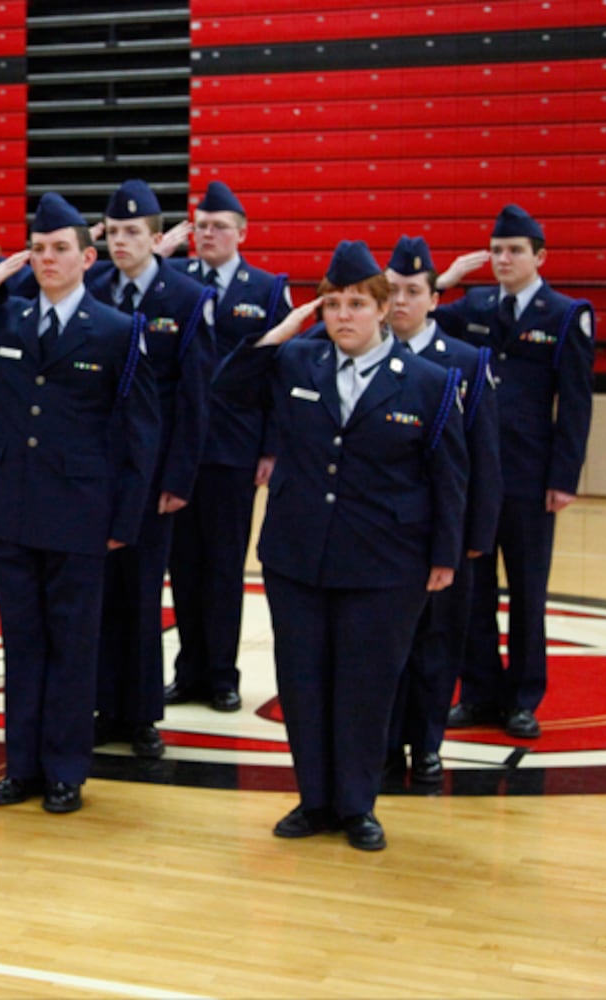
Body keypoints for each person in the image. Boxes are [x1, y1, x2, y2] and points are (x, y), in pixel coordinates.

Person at [0, 192, 160, 814]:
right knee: (21, 643)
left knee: (73, 645)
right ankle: (22, 766)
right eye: (38, 249)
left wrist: (125, 520)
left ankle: (66, 769)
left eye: (59, 250)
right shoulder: (3, 319)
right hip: (9, 505)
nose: (47, 259)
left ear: (86, 257)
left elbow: (140, 431)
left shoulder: (119, 330)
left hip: (80, 511)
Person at [214, 240, 467, 850]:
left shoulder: (430, 382)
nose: (343, 316)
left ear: (384, 308)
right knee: (303, 680)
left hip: (386, 562)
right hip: (299, 553)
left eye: (356, 304)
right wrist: (283, 328)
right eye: (332, 305)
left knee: (366, 684)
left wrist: (444, 554)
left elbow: (449, 475)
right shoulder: (297, 362)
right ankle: (315, 799)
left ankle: (358, 805)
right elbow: (228, 388)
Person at [433, 204, 595, 739]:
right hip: (476, 473)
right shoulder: (473, 304)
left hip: (528, 476)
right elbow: (417, 313)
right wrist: (445, 279)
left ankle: (524, 697)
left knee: (528, 590)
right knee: (474, 589)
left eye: (514, 251)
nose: (502, 258)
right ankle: (478, 692)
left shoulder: (565, 313)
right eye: (497, 250)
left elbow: (574, 402)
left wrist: (564, 477)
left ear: (538, 256)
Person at [88, 179, 217, 758]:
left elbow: (195, 396)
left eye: (132, 232)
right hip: (89, 468)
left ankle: (139, 713)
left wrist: (178, 477)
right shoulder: (89, 287)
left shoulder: (185, 298)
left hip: (151, 470)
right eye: (112, 232)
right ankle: (100, 704)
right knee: (93, 593)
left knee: (141, 594)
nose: (121, 242)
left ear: (157, 238)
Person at [166, 180, 291, 713]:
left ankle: (221, 673)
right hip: (178, 450)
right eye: (200, 226)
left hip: (233, 449)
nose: (208, 234)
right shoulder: (173, 281)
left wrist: (269, 446)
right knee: (182, 565)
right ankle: (187, 669)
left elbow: (277, 374)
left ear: (242, 232)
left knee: (222, 566)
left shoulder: (265, 290)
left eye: (219, 226)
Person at [382, 236, 502, 782]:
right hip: (382, 534)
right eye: (392, 291)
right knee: (384, 646)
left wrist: (475, 536)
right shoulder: (368, 355)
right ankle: (383, 744)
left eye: (412, 291)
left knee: (437, 643)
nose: (400, 302)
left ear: (435, 297)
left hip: (442, 532)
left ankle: (427, 743)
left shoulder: (465, 361)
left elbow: (483, 459)